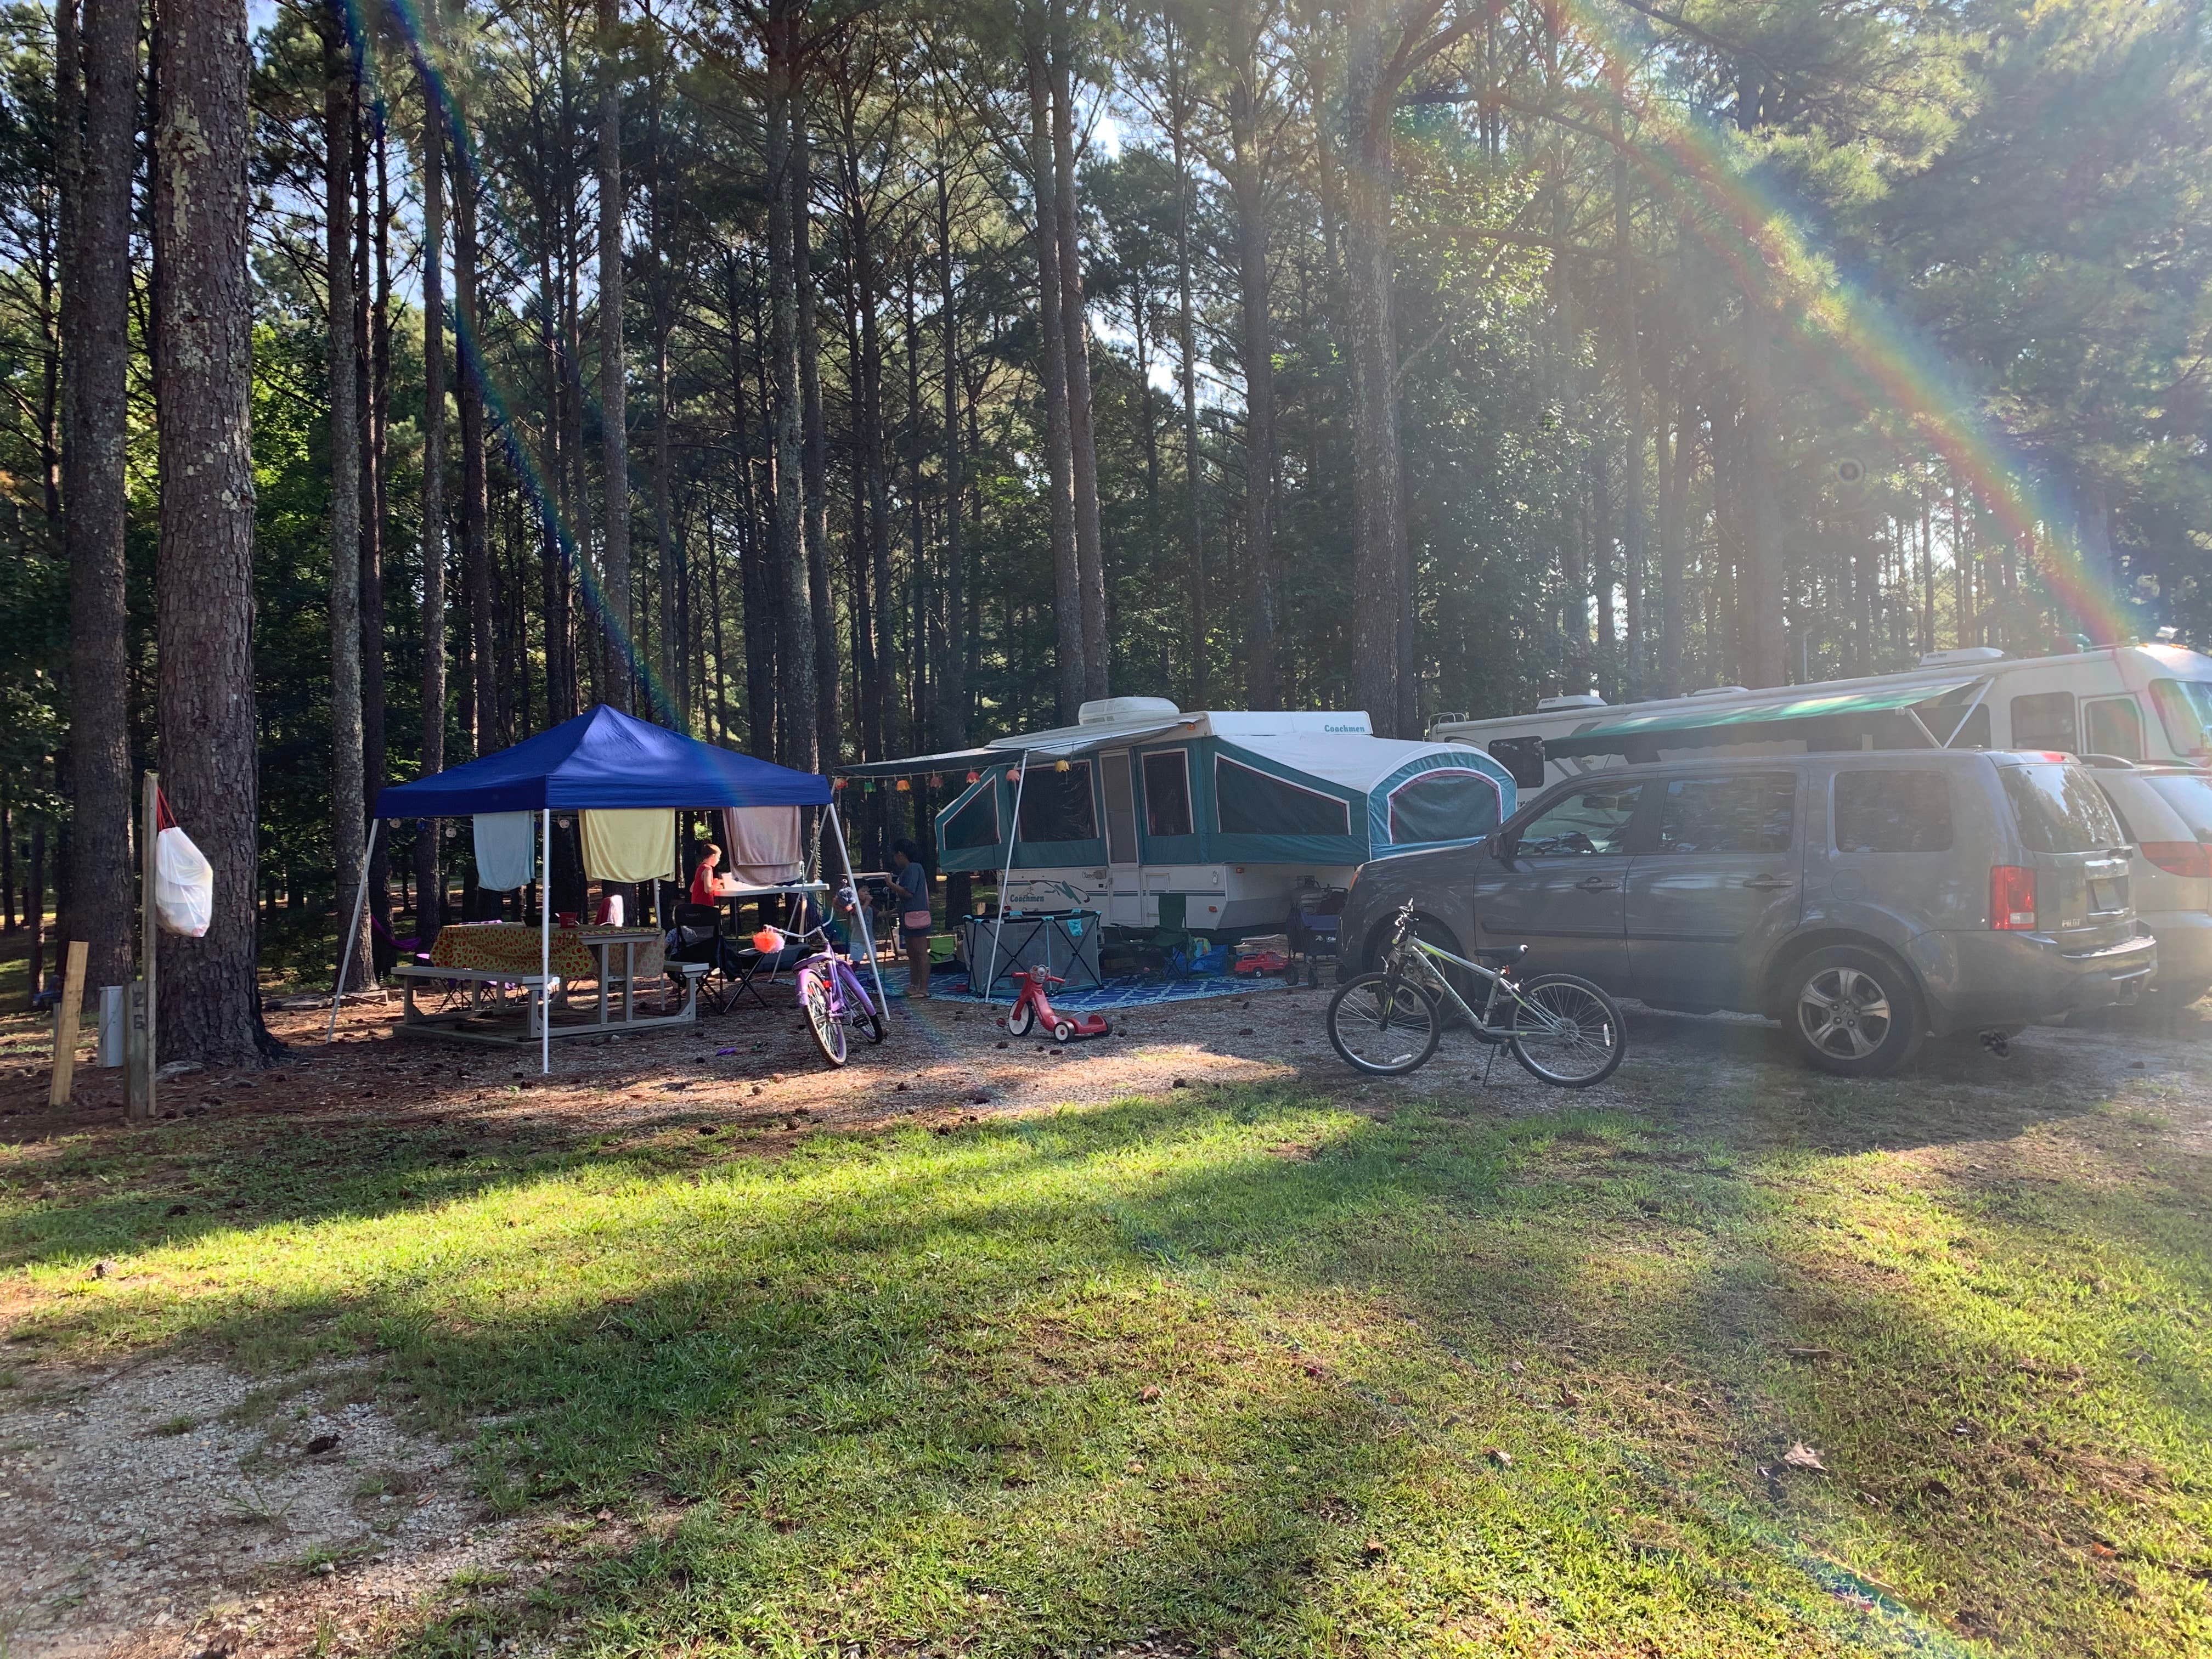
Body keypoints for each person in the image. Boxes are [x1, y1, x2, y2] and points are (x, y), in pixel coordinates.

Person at [891, 839, 932, 998]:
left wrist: (891, 884)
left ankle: (923, 988)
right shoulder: (910, 869)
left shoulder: (914, 868)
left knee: (921, 952)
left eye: (896, 856)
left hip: (916, 916)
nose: (895, 859)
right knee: (912, 952)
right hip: (908, 915)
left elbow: (909, 892)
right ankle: (914, 985)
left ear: (901, 855)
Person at [690, 842, 740, 906]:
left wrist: (715, 885)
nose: (718, 860)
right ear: (713, 856)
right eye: (718, 857)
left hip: (695, 904)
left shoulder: (700, 868)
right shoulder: (708, 869)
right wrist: (717, 885)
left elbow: (692, 889)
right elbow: (707, 890)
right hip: (704, 906)